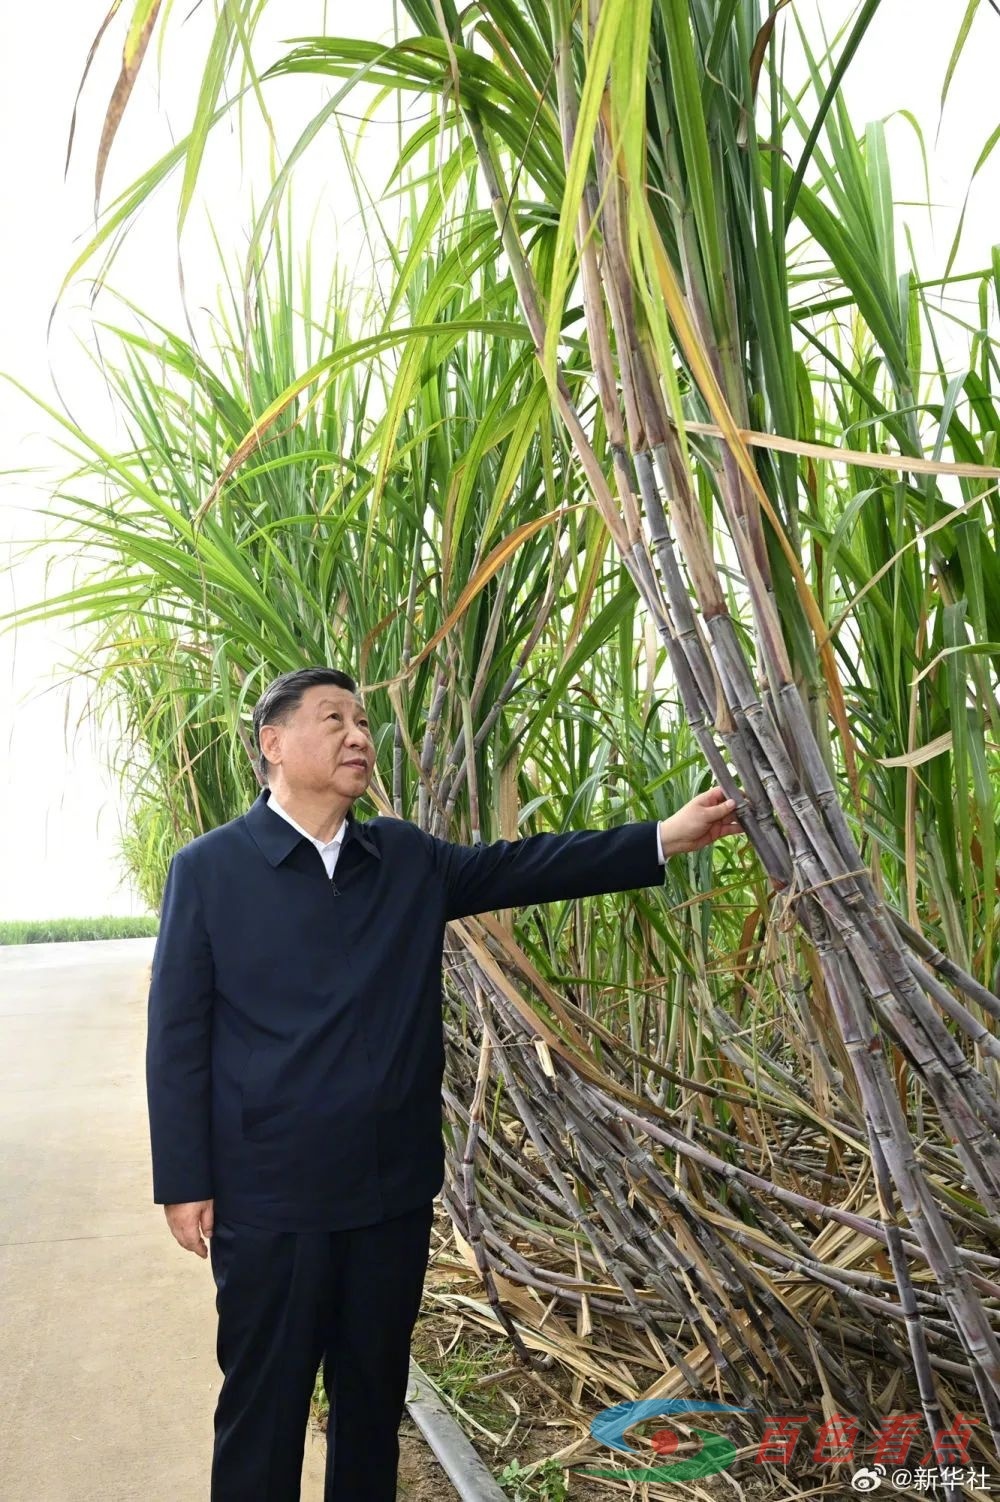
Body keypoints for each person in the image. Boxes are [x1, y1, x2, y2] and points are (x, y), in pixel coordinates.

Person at [145, 664, 741, 1502]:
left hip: (389, 1191)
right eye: (334, 720)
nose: (359, 735)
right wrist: (185, 1180)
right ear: (272, 744)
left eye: (362, 720)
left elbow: (527, 866)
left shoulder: (404, 859)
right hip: (269, 1193)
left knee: (372, 1400)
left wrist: (661, 837)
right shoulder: (210, 870)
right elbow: (177, 1036)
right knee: (264, 1404)